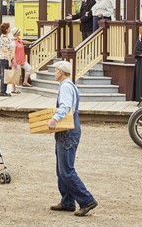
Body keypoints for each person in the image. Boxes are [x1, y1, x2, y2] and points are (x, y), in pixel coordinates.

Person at [47, 61, 98, 217]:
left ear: (61, 72)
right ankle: (68, 201)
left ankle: (87, 200)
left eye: (55, 70)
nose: (54, 73)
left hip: (67, 131)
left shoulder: (66, 87)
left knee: (66, 170)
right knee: (61, 169)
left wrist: (54, 119)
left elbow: (66, 107)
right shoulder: (70, 85)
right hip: (69, 130)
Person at [0, 23, 15, 97]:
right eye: (9, 28)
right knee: (4, 75)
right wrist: (9, 61)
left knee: (4, 74)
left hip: (3, 57)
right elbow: (6, 50)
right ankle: (3, 91)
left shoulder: (3, 37)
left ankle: (4, 90)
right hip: (5, 58)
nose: (10, 28)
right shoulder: (5, 38)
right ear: (7, 29)